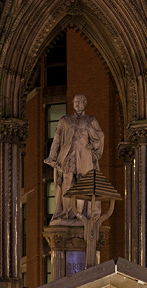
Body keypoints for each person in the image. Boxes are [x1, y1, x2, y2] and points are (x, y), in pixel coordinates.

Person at [44, 94, 104, 224]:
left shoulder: (90, 120)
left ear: (85, 103)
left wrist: (93, 145)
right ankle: (66, 212)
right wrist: (52, 156)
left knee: (82, 184)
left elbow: (99, 135)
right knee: (66, 181)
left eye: (80, 101)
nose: (77, 104)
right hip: (67, 155)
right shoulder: (65, 120)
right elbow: (57, 139)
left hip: (84, 156)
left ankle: (80, 215)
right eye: (75, 102)